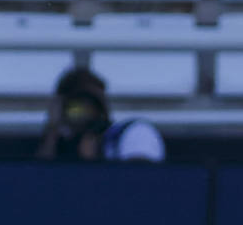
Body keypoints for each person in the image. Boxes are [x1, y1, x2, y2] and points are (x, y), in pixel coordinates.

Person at [36, 66, 165, 162]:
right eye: (75, 108)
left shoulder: (135, 133)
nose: (85, 114)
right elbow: (40, 182)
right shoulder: (61, 146)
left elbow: (142, 184)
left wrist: (95, 162)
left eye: (92, 104)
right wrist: (52, 130)